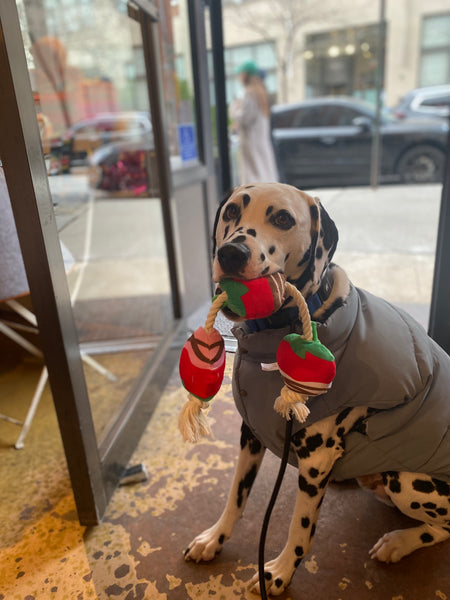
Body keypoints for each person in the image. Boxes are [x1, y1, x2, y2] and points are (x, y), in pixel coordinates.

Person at [230, 60, 279, 184]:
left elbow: (244, 117)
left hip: (251, 141)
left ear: (246, 75)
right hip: (260, 140)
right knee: (263, 170)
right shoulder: (261, 93)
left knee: (254, 173)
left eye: (241, 74)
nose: (239, 77)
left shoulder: (249, 93)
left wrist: (234, 107)